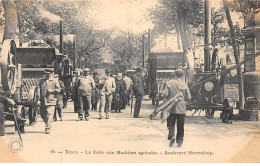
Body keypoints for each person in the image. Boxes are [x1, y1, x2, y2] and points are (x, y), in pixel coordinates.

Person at [161, 69, 191, 147]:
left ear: (174, 75)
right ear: (182, 76)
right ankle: (180, 141)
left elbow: (164, 95)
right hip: (181, 108)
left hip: (171, 108)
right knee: (180, 125)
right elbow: (188, 97)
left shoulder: (169, 83)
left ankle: (172, 136)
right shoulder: (184, 85)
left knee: (171, 123)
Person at [38, 68, 61, 134]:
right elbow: (38, 90)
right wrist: (38, 99)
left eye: (48, 74)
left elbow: (59, 89)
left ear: (51, 74)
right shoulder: (41, 80)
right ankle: (48, 123)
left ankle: (47, 128)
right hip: (43, 100)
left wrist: (52, 91)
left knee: (49, 114)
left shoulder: (54, 80)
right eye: (46, 74)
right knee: (42, 115)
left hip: (51, 100)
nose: (47, 75)